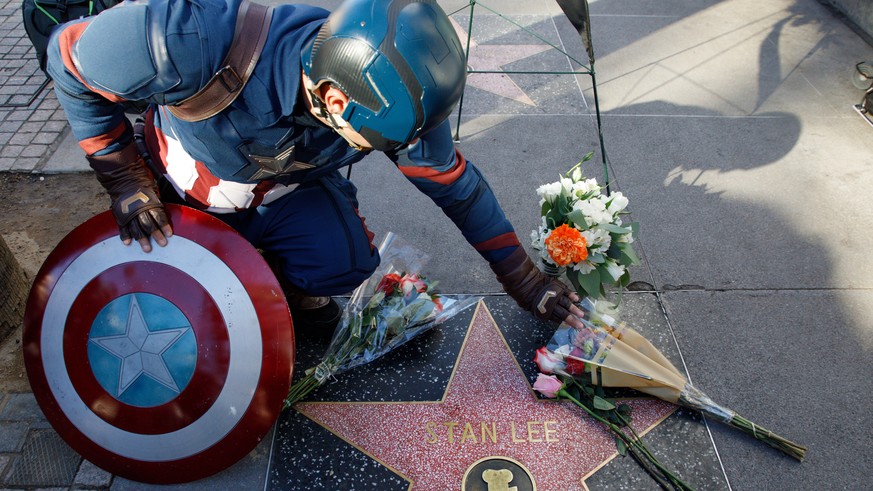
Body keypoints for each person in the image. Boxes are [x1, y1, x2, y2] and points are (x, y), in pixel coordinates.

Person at [45, 0, 584, 330]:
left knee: (343, 265)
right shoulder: (188, 37)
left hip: (282, 192)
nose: (386, 151)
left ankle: (277, 280)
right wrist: (124, 178)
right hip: (179, 182)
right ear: (331, 96)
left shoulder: (401, 99)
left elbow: (459, 191)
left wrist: (527, 283)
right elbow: (65, 56)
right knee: (174, 314)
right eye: (368, 142)